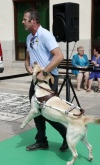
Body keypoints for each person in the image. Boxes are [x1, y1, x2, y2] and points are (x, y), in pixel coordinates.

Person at [22, 9, 68, 151]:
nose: (22, 22)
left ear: (33, 21)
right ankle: (41, 140)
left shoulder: (46, 35)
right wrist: (28, 67)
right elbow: (28, 59)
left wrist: (45, 71)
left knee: (47, 112)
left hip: (49, 79)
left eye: (25, 19)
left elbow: (59, 56)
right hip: (36, 80)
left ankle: (67, 135)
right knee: (35, 110)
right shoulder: (29, 37)